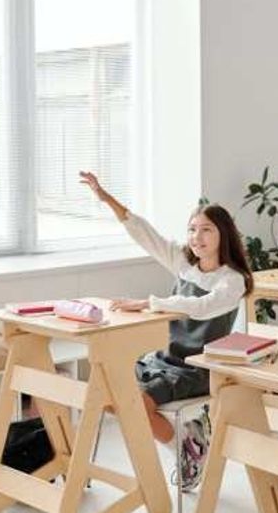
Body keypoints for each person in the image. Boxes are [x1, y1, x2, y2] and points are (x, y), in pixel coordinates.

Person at [79, 171, 253, 489]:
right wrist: (106, 199)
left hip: (197, 367)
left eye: (206, 230)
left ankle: (187, 449)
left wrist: (149, 303)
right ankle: (188, 442)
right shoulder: (185, 264)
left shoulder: (232, 280)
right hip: (163, 359)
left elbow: (203, 308)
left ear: (223, 234)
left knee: (137, 405)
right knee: (108, 394)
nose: (196, 237)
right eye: (191, 230)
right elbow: (144, 233)